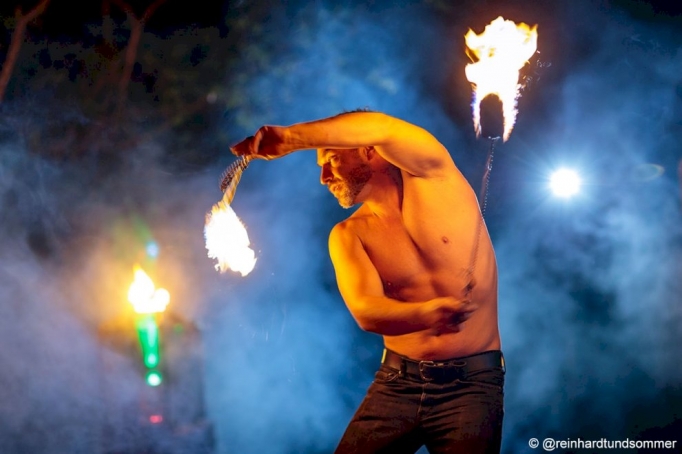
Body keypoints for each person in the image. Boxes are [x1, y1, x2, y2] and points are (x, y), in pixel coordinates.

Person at [232, 110, 504, 454]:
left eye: (331, 159)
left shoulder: (433, 172)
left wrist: (289, 139)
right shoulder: (347, 235)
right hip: (397, 384)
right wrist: (429, 314)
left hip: (472, 386)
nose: (323, 177)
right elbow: (366, 311)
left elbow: (383, 128)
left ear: (367, 151)